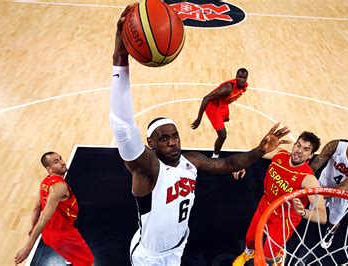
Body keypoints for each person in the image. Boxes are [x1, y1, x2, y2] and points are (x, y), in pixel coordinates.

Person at [110, 7, 291, 266]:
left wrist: (260, 150)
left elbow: (228, 164)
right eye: (163, 139)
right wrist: (120, 54)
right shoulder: (147, 170)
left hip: (178, 245)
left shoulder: (190, 161)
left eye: (174, 136)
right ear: (150, 144)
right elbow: (123, 127)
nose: (172, 141)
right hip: (149, 257)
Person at [232, 131, 327, 266]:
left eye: (306, 150)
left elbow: (322, 217)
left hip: (284, 218)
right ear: (294, 145)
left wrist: (303, 213)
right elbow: (256, 153)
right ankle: (247, 253)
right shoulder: (280, 154)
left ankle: (278, 257)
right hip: (266, 205)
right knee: (250, 239)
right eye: (298, 145)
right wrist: (242, 164)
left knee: (268, 253)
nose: (299, 151)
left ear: (311, 155)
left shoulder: (308, 179)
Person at [14, 152, 94, 265]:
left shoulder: (45, 182)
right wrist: (29, 246)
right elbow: (44, 217)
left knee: (72, 255)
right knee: (88, 262)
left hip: (48, 233)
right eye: (56, 162)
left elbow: (37, 208)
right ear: (49, 169)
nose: (62, 163)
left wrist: (33, 228)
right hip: (63, 235)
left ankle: (69, 255)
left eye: (60, 158)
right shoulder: (59, 187)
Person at [190, 67, 249, 158]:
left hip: (222, 104)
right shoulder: (227, 88)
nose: (241, 80)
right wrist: (198, 119)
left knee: (226, 119)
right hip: (212, 107)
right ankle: (215, 156)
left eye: (244, 78)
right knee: (223, 135)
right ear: (236, 77)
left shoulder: (244, 86)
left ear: (246, 79)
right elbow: (206, 98)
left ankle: (221, 119)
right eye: (239, 77)